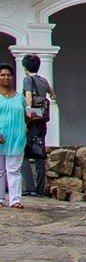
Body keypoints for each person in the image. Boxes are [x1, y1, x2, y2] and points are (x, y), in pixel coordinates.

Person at [20, 56, 53, 197]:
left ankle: (29, 187)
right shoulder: (43, 80)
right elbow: (53, 94)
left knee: (25, 154)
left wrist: (26, 119)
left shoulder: (28, 80)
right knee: (39, 154)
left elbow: (28, 99)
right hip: (42, 121)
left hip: (32, 119)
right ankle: (40, 189)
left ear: (25, 67)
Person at [0, 64, 26, 208]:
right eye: (2, 75)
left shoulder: (19, 97)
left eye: (8, 75)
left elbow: (24, 115)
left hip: (16, 139)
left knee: (14, 170)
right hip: (0, 139)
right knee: (0, 171)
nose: (6, 77)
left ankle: (15, 200)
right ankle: (0, 199)